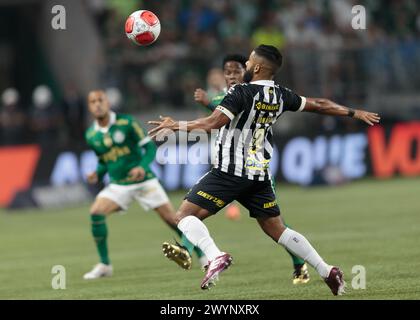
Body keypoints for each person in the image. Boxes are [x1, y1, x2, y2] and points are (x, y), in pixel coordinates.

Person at [148, 45, 380, 295]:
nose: (245, 65)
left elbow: (212, 123)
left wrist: (176, 126)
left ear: (257, 67)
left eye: (248, 62)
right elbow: (320, 104)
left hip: (230, 170)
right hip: (259, 174)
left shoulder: (241, 92)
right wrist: (354, 112)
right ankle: (327, 270)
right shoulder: (281, 95)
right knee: (277, 229)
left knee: (182, 216)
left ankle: (216, 256)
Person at [166, 54, 311, 285]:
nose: (232, 76)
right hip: (229, 169)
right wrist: (209, 104)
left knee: (274, 223)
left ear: (248, 71)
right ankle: (189, 249)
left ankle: (299, 263)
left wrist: (206, 104)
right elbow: (216, 117)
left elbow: (218, 116)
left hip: (254, 170)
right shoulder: (227, 96)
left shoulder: (251, 94)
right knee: (194, 212)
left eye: (236, 71)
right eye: (228, 72)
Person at [83, 90, 205, 279]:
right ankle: (105, 265)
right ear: (89, 107)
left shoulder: (127, 123)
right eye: (93, 102)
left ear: (108, 103)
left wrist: (141, 166)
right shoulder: (91, 134)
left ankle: (202, 255)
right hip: (119, 184)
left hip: (144, 181)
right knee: (96, 213)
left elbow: (148, 148)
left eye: (101, 100)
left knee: (173, 221)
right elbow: (103, 160)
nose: (97, 104)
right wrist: (97, 174)